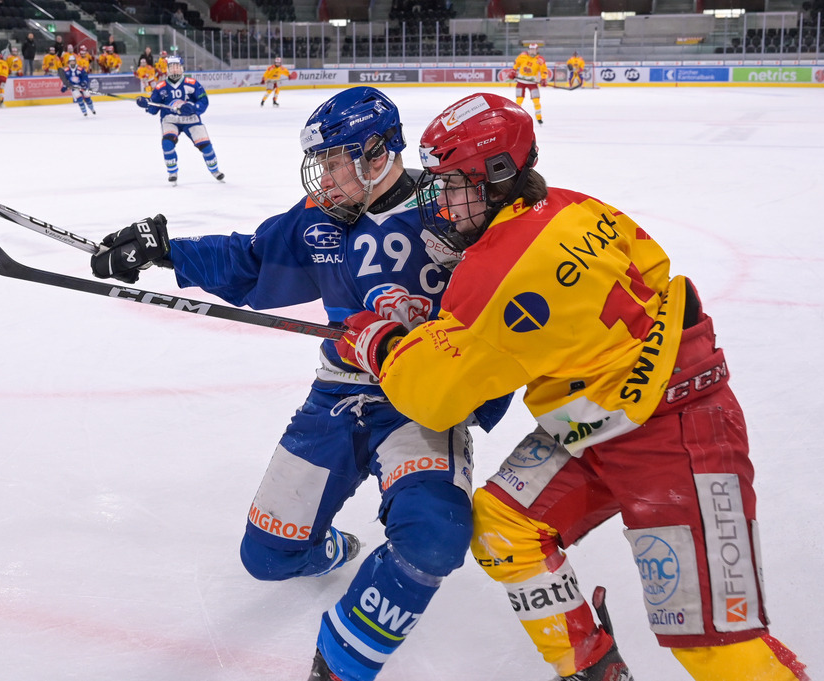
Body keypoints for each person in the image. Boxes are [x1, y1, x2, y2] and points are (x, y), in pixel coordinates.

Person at [337, 92, 811, 681]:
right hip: (600, 419)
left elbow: (434, 398)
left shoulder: (490, 275)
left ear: (499, 176)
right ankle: (592, 669)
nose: (443, 201)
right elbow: (651, 268)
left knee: (714, 644)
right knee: (505, 527)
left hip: (675, 432)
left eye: (455, 183)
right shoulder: (577, 207)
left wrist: (379, 343)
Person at [89, 86, 509, 681]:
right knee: (266, 558)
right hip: (339, 395)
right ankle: (334, 546)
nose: (327, 178)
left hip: (422, 404)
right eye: (324, 163)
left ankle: (339, 665)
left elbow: (517, 291)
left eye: (338, 161)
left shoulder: (450, 211)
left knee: (435, 532)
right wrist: (166, 250)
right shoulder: (319, 221)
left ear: (377, 152)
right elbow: (252, 260)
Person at [135, 56, 222, 184]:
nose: (175, 70)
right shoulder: (160, 87)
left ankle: (215, 170)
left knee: (206, 146)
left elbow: (203, 101)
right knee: (167, 143)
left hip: (191, 119)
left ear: (182, 68)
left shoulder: (192, 83)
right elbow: (154, 108)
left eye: (177, 67)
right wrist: (147, 104)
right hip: (170, 119)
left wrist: (193, 108)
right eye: (172, 67)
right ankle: (172, 172)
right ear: (168, 70)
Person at [511, 42, 548, 125]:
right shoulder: (523, 55)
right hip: (521, 81)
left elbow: (544, 70)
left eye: (533, 49)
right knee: (519, 100)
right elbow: (516, 64)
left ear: (537, 50)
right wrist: (513, 71)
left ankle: (539, 118)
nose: (532, 51)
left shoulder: (540, 60)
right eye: (531, 49)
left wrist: (544, 79)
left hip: (532, 82)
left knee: (536, 100)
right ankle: (517, 117)